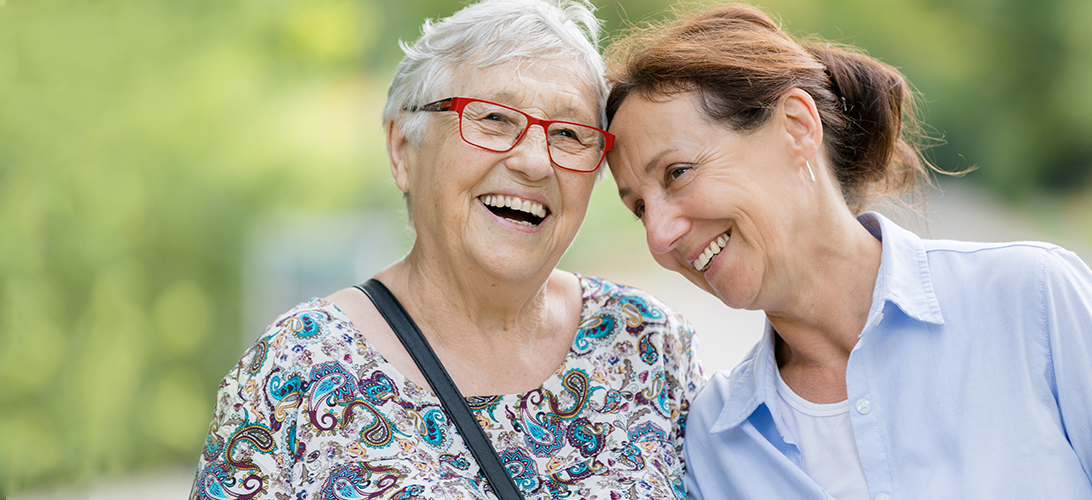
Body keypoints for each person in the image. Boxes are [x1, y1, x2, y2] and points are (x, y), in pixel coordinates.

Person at [602, 3, 1092, 500]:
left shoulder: (1031, 299)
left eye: (678, 173)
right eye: (639, 209)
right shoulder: (714, 441)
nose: (659, 236)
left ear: (797, 128)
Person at [190, 1, 706, 498]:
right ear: (402, 150)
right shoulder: (296, 366)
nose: (534, 161)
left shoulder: (647, 344)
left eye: (569, 133)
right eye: (494, 120)